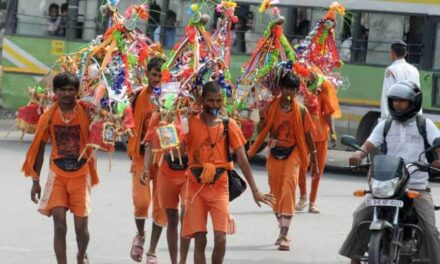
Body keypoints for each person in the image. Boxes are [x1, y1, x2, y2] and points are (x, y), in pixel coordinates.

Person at [339, 80, 440, 264]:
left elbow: (437, 144)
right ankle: (355, 258)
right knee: (360, 215)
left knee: (430, 228)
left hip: (416, 185)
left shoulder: (425, 125)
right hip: (388, 184)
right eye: (394, 100)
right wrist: (358, 154)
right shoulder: (385, 125)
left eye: (401, 101)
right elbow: (369, 144)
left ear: (413, 103)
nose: (397, 104)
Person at [182, 81, 274, 264]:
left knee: (221, 239)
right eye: (211, 101)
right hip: (195, 186)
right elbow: (178, 151)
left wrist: (255, 190)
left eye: (218, 101)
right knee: (200, 239)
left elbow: (242, 158)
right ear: (201, 100)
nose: (215, 105)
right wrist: (175, 125)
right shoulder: (190, 122)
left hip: (219, 186)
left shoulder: (228, 125)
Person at [22, 72, 98, 264]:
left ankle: (81, 255)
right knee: (59, 227)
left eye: (70, 89)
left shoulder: (86, 112)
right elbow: (39, 147)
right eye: (62, 90)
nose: (66, 94)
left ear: (77, 91)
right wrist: (35, 181)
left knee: (81, 230)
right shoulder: (48, 116)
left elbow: (103, 130)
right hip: (57, 176)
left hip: (81, 176)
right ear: (55, 92)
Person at [247, 72, 319, 251]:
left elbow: (308, 134)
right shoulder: (271, 106)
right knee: (276, 192)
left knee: (288, 186)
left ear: (297, 91)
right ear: (281, 88)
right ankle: (282, 224)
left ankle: (284, 234)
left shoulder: (301, 110)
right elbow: (263, 129)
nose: (289, 92)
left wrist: (315, 160)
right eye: (286, 87)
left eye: (293, 89)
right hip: (274, 152)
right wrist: (259, 113)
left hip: (294, 151)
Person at [127, 57, 167, 263]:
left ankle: (152, 250)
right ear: (147, 74)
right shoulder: (137, 97)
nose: (157, 79)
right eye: (154, 74)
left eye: (161, 75)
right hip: (141, 155)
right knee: (141, 202)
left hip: (162, 159)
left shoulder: (172, 98)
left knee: (161, 207)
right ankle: (141, 236)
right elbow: (123, 117)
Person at [142, 113, 191, 264]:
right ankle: (174, 262)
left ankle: (182, 261)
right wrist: (145, 168)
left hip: (187, 173)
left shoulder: (191, 113)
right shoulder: (159, 116)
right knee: (172, 219)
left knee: (185, 214)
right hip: (166, 172)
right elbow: (150, 143)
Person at [297, 74, 337, 214]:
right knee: (300, 168)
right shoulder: (300, 95)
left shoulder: (322, 96)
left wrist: (332, 132)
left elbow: (327, 114)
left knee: (317, 170)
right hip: (303, 138)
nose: (312, 82)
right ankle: (303, 197)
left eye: (314, 80)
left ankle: (312, 202)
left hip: (320, 138)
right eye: (309, 80)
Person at [380, 40, 420, 120]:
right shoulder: (414, 70)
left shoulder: (391, 70)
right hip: (412, 116)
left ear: (392, 53)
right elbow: (418, 94)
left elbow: (387, 94)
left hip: (396, 115)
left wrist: (385, 117)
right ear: (405, 54)